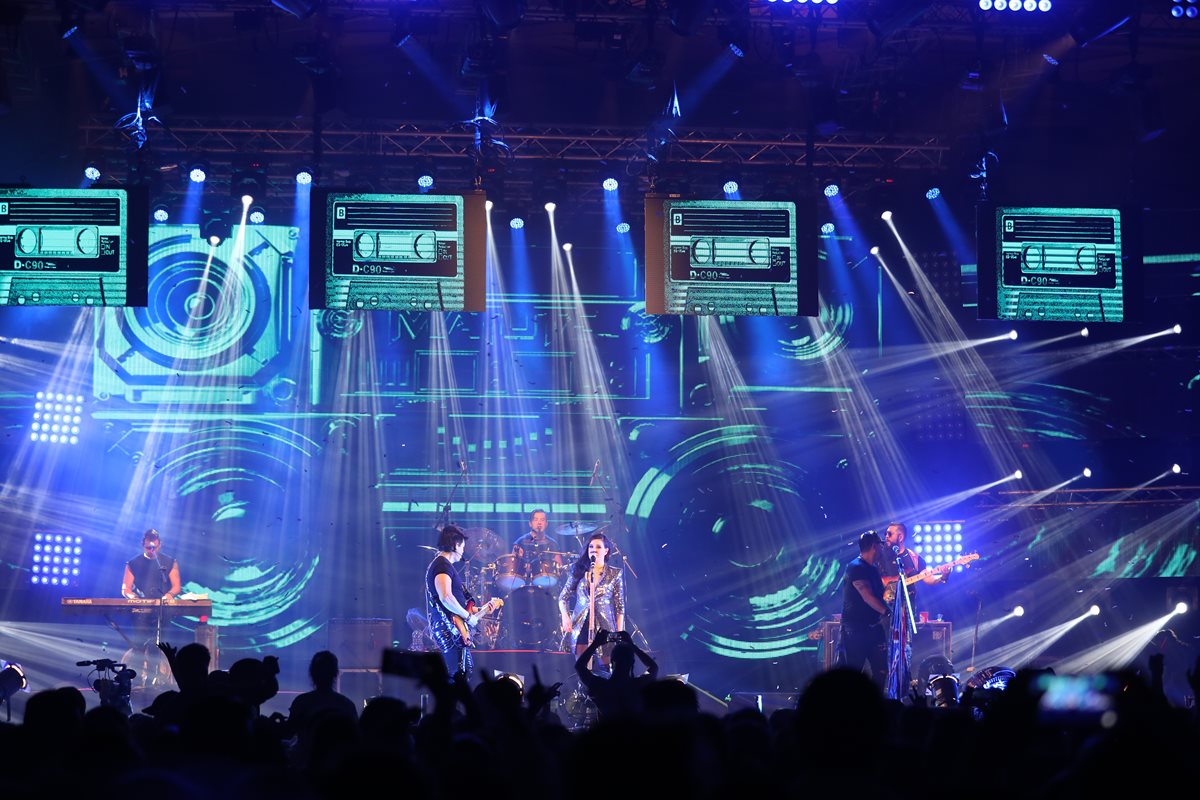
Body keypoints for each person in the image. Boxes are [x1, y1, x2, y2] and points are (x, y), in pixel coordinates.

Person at [424, 525, 495, 683]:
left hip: (453, 628)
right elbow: (446, 597)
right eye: (462, 546)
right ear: (455, 545)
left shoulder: (444, 565)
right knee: (457, 676)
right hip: (448, 629)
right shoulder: (442, 566)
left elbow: (456, 604)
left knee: (463, 672)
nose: (463, 551)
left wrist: (482, 609)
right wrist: (468, 617)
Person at [120, 529, 182, 685]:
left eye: (154, 547)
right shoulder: (133, 563)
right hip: (141, 610)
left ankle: (156, 679)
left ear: (160, 544)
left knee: (158, 644)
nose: (152, 550)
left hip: (162, 610)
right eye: (148, 547)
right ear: (143, 545)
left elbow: (176, 587)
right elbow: (125, 588)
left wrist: (168, 596)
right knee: (139, 645)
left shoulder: (169, 562)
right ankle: (137, 680)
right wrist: (132, 597)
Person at [558, 532, 625, 669]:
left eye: (598, 547)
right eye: (591, 547)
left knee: (607, 668)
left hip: (604, 625)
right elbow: (563, 598)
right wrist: (565, 616)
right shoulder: (578, 570)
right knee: (582, 667)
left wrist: (619, 633)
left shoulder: (615, 573)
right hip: (581, 623)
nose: (594, 549)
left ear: (606, 551)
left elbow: (620, 606)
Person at [840, 530, 889, 688]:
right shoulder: (856, 568)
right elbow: (868, 597)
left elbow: (879, 595)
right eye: (880, 544)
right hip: (855, 631)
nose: (882, 548)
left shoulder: (873, 569)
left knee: (881, 670)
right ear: (874, 546)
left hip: (874, 628)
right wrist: (887, 612)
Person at [573, 629, 657, 720]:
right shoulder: (638, 685)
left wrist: (596, 643)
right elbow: (653, 668)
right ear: (632, 662)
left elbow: (579, 666)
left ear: (612, 661)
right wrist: (632, 645)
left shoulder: (601, 687)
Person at [878, 522, 944, 607]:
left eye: (889, 534)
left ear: (900, 537)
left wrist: (943, 576)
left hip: (907, 609)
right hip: (884, 609)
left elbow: (928, 578)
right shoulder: (879, 555)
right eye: (886, 533)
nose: (886, 536)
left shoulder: (914, 558)